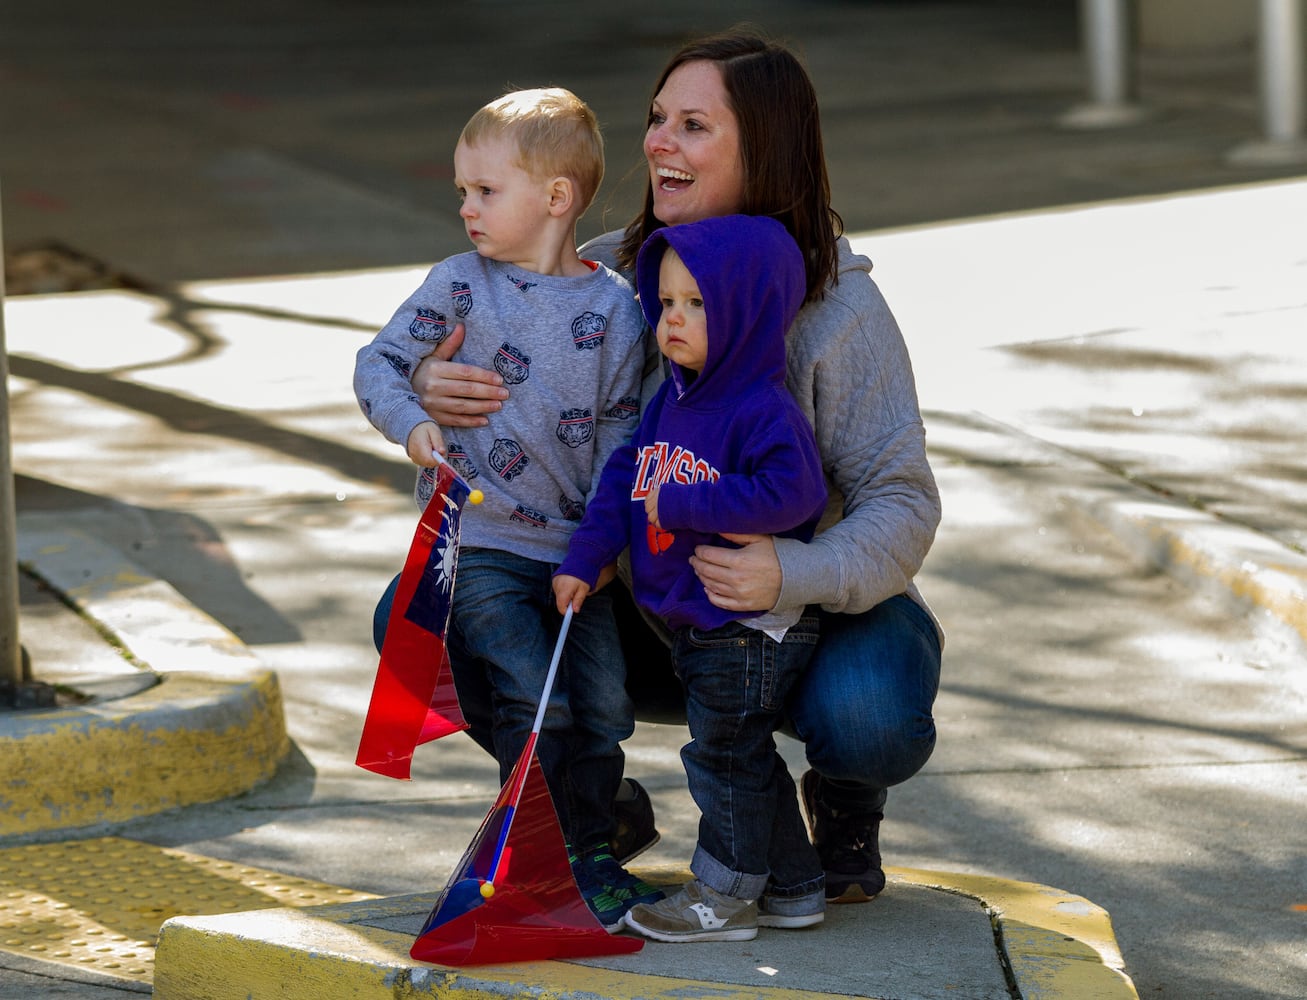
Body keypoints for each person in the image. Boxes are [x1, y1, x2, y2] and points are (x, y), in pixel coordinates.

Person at [398, 28, 944, 923]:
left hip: (803, 616)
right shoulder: (602, 273)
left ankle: (844, 799)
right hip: (653, 607)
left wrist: (788, 570)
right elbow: (462, 352)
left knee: (870, 718)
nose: (656, 143)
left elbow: (901, 500)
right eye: (657, 118)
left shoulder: (839, 306)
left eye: (693, 126)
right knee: (422, 620)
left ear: (759, 149)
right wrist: (428, 383)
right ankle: (592, 808)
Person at [353, 86, 660, 929]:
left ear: (556, 198)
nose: (465, 209)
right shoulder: (458, 287)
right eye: (462, 191)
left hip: (570, 555)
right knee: (536, 698)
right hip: (481, 539)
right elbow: (376, 364)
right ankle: (530, 863)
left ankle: (593, 851)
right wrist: (413, 421)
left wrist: (596, 551)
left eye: (484, 191)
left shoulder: (616, 311)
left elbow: (619, 440)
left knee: (601, 707)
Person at [553, 214, 829, 942]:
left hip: (743, 626)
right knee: (744, 758)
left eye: (697, 304)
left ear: (747, 312)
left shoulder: (759, 408)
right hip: (696, 625)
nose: (674, 320)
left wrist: (685, 501)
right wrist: (586, 559)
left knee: (721, 760)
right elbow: (623, 481)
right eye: (666, 303)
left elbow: (794, 494)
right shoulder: (672, 401)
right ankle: (796, 887)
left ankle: (721, 896)